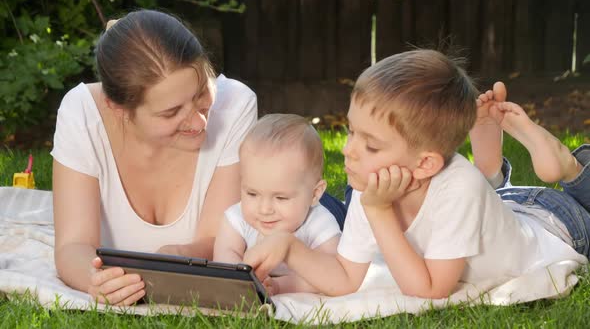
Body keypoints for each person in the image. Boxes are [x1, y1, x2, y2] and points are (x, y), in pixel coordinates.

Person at [242, 49, 590, 299]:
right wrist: (288, 246)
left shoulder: (455, 187)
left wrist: (380, 213)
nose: (348, 150)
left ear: (424, 165)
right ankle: (491, 166)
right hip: (502, 209)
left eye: (372, 146)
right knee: (490, 199)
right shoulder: (371, 185)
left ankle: (571, 168)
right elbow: (347, 279)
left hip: (557, 224)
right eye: (350, 131)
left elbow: (431, 289)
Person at [51, 10, 258, 306]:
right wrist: (95, 280)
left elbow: (222, 240)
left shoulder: (236, 105)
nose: (199, 122)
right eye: (171, 112)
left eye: (201, 93)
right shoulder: (82, 113)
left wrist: (179, 256)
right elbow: (73, 246)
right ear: (117, 108)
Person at [213, 114, 341, 295]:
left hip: (335, 210)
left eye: (280, 198)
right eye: (252, 193)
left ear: (314, 193)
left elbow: (332, 276)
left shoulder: (319, 223)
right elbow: (225, 257)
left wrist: (282, 286)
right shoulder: (236, 218)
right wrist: (244, 282)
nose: (264, 209)